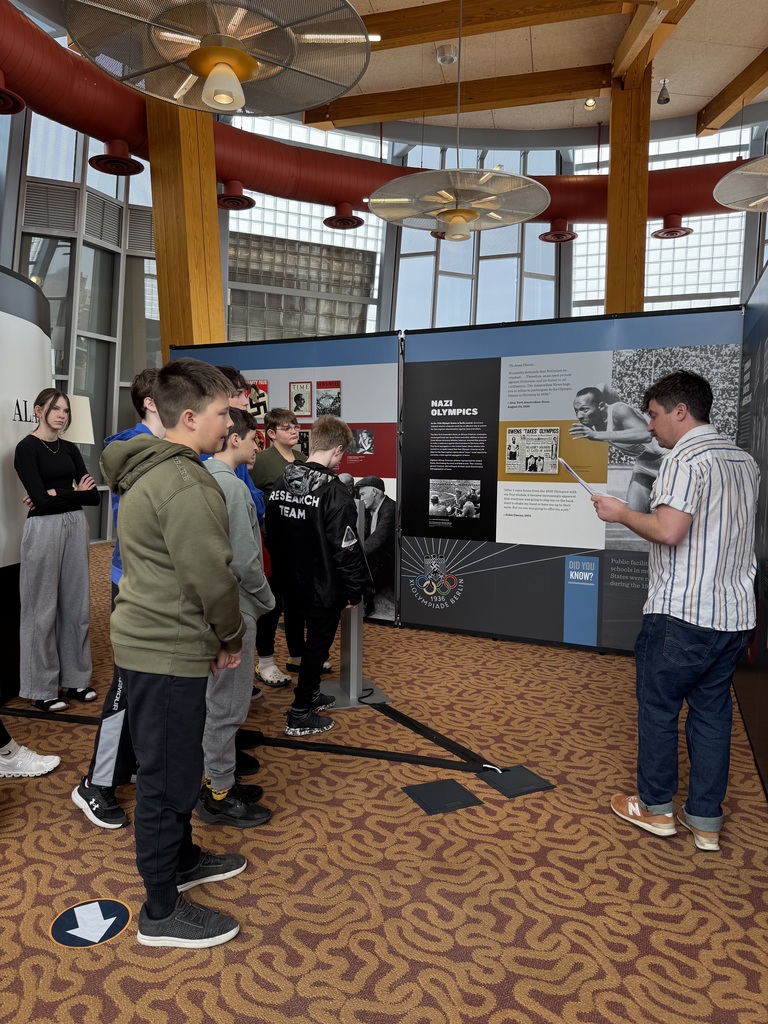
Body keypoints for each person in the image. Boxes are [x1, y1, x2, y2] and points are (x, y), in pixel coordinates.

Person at [100, 357, 247, 949]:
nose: (229, 421)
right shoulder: (184, 481)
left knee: (177, 764)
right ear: (189, 417)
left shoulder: (149, 469)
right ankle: (161, 911)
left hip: (160, 640)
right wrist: (231, 637)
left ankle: (181, 859)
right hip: (165, 649)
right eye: (221, 412)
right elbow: (212, 577)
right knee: (165, 777)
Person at [592, 370, 758, 853]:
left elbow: (668, 530)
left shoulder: (685, 458)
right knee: (711, 713)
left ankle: (656, 808)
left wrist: (620, 512)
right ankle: (705, 819)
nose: (649, 426)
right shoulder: (743, 459)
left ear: (680, 411)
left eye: (655, 414)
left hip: (683, 612)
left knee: (660, 709)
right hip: (732, 614)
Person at [72, 369, 165, 829]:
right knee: (126, 687)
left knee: (148, 686)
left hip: (155, 583)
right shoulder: (130, 446)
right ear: (152, 402)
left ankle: (123, 767)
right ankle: (96, 782)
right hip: (131, 581)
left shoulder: (165, 446)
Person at [265, 415, 373, 737]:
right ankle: (299, 712)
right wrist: (356, 590)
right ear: (337, 449)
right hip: (323, 585)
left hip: (290, 581)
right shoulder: (336, 492)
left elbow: (272, 534)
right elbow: (346, 548)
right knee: (318, 646)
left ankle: (311, 693)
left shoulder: (282, 482)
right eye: (342, 455)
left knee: (308, 642)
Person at [197, 407, 275, 829]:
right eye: (252, 440)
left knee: (217, 699)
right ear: (233, 439)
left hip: (211, 604)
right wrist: (266, 598)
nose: (256, 447)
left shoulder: (202, 475)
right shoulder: (233, 487)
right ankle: (219, 793)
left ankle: (220, 781)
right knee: (227, 703)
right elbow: (246, 561)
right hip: (236, 607)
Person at [14, 388, 100, 712]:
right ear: (38, 411)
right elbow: (41, 499)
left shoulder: (70, 448)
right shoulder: (26, 449)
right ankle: (41, 688)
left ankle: (76, 679)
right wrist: (67, 492)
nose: (62, 415)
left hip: (76, 526)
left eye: (66, 410)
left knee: (77, 607)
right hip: (43, 528)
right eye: (56, 409)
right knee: (42, 610)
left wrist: (55, 491)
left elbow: (94, 498)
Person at [249, 408, 309, 688]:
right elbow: (253, 499)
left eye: (295, 425)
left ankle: (297, 655)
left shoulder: (302, 460)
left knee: (297, 602)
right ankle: (266, 662)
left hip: (297, 542)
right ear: (271, 433)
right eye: (287, 427)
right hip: (271, 542)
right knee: (272, 605)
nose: (294, 430)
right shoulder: (261, 460)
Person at [570, 385, 664, 513]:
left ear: (601, 406)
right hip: (645, 463)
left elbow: (646, 434)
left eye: (584, 410)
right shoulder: (594, 423)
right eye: (576, 411)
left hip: (667, 458)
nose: (579, 415)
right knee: (635, 514)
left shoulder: (619, 410)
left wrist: (597, 435)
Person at [355, 476, 395, 618]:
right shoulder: (367, 509)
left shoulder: (390, 509)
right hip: (376, 553)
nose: (360, 498)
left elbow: (378, 538)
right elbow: (364, 533)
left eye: (362, 494)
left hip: (389, 558)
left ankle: (367, 601)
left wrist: (355, 555)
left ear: (374, 492)